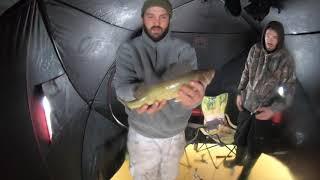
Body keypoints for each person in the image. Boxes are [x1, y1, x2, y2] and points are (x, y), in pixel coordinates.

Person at [113, 0, 206, 179]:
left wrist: (196, 99)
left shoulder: (185, 50)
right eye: (151, 16)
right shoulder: (128, 50)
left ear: (169, 19)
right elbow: (120, 89)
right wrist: (139, 93)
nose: (157, 22)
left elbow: (194, 91)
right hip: (142, 136)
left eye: (163, 17)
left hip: (175, 136)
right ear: (142, 18)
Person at [224, 21, 296, 179]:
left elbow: (288, 90)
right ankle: (238, 160)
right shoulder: (255, 50)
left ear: (280, 39)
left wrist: (272, 110)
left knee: (255, 145)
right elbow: (246, 72)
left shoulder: (285, 59)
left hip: (264, 110)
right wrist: (239, 93)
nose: (270, 39)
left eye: (275, 37)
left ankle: (246, 172)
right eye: (268, 35)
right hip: (247, 104)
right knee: (240, 137)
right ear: (264, 35)